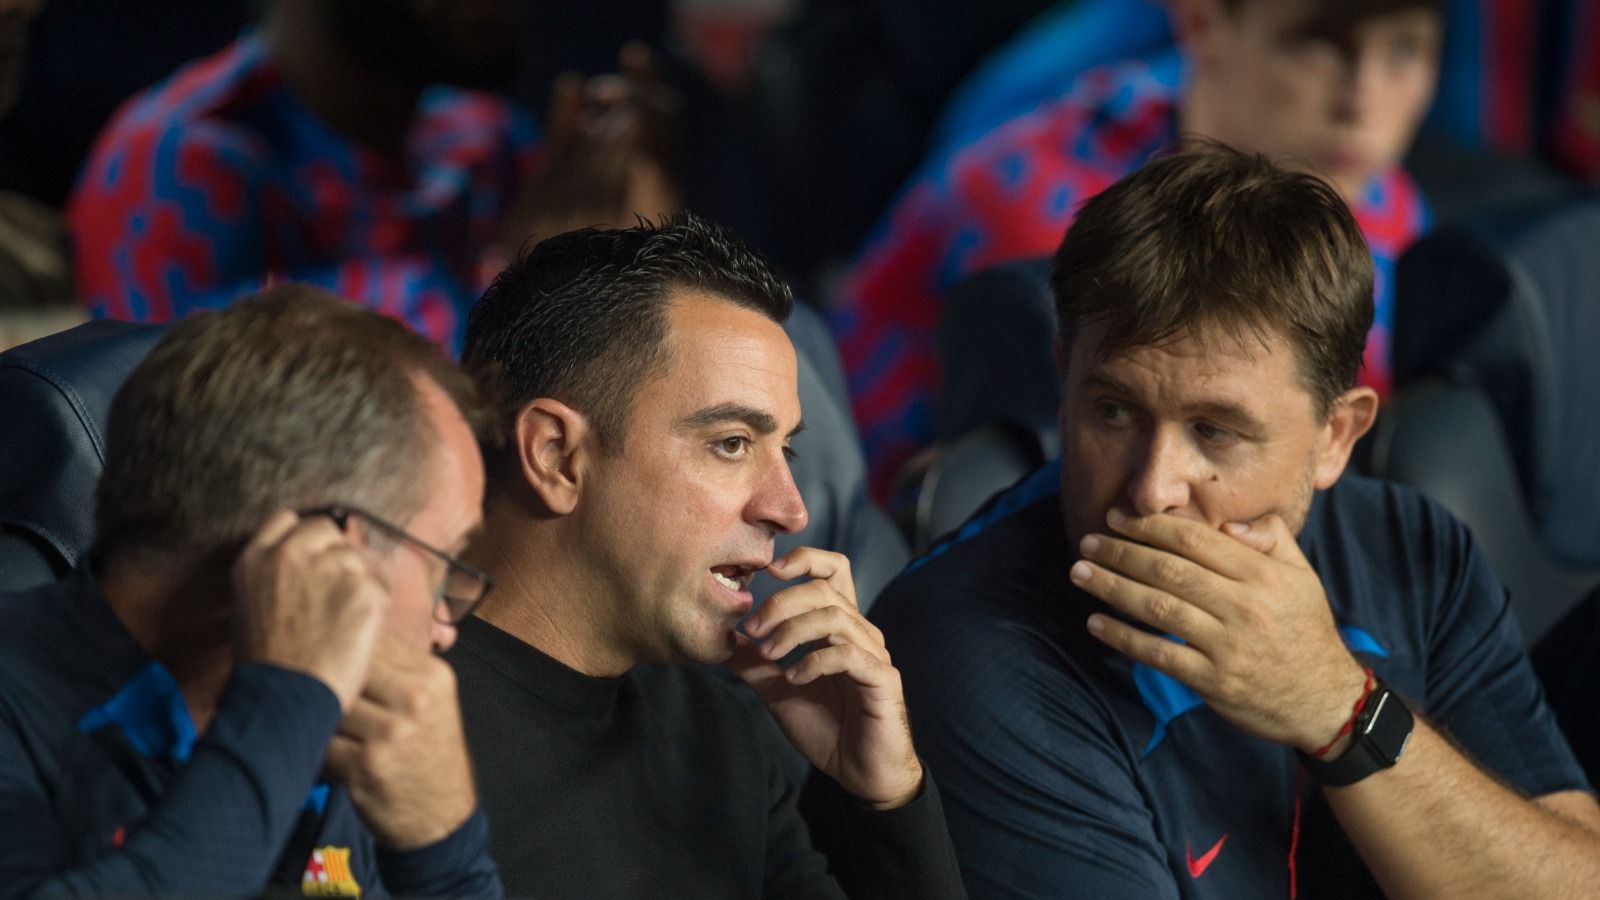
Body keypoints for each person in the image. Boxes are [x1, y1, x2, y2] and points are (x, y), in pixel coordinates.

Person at [868, 147, 1600, 898]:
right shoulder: (965, 647)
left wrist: (1341, 713)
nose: (1152, 491)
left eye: (1216, 432)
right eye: (1113, 411)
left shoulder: (1416, 550)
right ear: (1064, 382)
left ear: (1335, 438)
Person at [450, 213, 964, 897]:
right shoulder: (375, 729)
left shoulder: (721, 734)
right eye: (731, 443)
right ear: (556, 456)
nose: (791, 509)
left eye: (787, 450)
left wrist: (888, 801)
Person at [0, 285, 502, 895]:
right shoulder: (18, 703)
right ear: (315, 550)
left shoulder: (339, 747)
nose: (446, 624)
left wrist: (443, 851)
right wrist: (286, 704)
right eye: (442, 564)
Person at [835, 0, 1443, 497]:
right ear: (1203, 23)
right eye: (1317, 45)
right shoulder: (1046, 212)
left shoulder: (1376, 194)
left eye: (1403, 51)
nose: (1363, 105)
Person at [67, 0, 676, 351]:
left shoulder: (492, 143)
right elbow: (194, 450)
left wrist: (655, 246)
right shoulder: (176, 166)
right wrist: (527, 284)